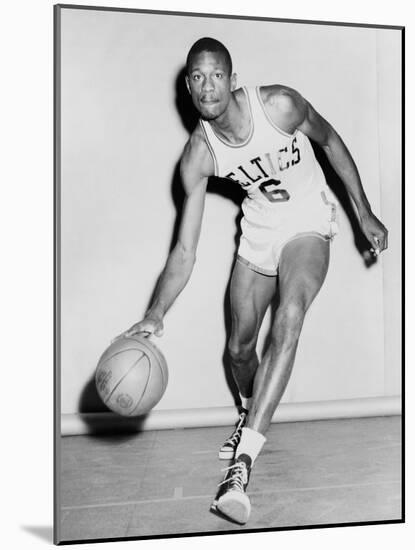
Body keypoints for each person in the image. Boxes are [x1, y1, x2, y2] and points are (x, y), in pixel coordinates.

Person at [117, 37, 388, 524]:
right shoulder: (199, 155)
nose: (208, 85)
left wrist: (363, 212)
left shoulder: (279, 105)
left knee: (290, 315)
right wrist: (154, 315)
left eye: (216, 74)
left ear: (233, 78)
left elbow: (330, 141)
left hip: (307, 219)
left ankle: (242, 466)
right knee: (239, 350)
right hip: (260, 227)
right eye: (198, 77)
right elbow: (184, 250)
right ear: (188, 87)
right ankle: (249, 412)